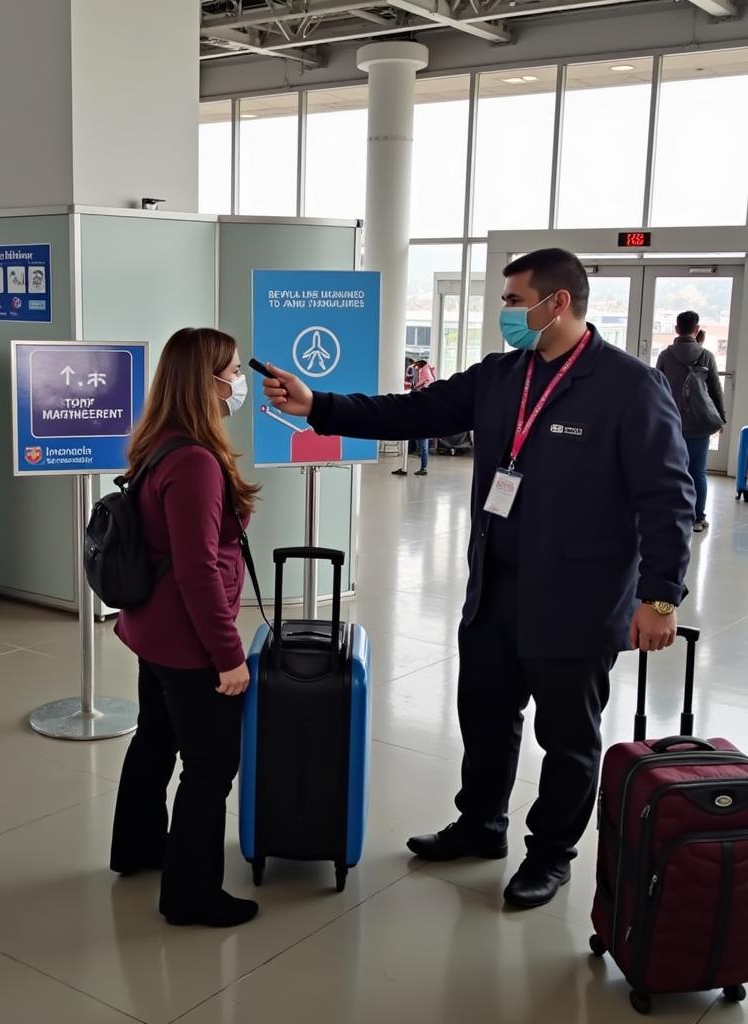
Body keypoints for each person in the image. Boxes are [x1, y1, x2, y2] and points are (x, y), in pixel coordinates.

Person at [263, 248, 695, 910]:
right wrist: (319, 404)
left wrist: (660, 597)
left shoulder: (628, 386)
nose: (505, 313)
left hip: (577, 602)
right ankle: (480, 824)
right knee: (486, 716)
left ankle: (550, 854)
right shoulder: (501, 376)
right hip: (495, 588)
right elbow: (413, 413)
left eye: (514, 301)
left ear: (558, 304)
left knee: (568, 739)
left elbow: (668, 497)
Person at [110, 327, 260, 928]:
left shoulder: (160, 442)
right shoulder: (195, 461)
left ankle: (140, 846)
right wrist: (229, 656)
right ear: (207, 382)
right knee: (210, 765)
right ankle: (191, 894)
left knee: (155, 737)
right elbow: (198, 569)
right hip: (188, 640)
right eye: (229, 371)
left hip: (151, 630)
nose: (238, 383)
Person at [656, 311, 726, 533]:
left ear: (677, 329)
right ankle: (697, 518)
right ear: (696, 330)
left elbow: (656, 390)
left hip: (671, 422)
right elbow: (715, 390)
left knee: (670, 471)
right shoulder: (706, 355)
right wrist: (720, 418)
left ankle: (672, 516)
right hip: (699, 423)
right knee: (698, 472)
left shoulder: (666, 356)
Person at [413, 359, 436, 476]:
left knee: (423, 448)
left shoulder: (425, 371)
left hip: (423, 425)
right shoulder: (426, 370)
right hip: (422, 424)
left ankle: (424, 468)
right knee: (422, 447)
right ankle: (423, 467)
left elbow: (423, 381)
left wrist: (417, 385)